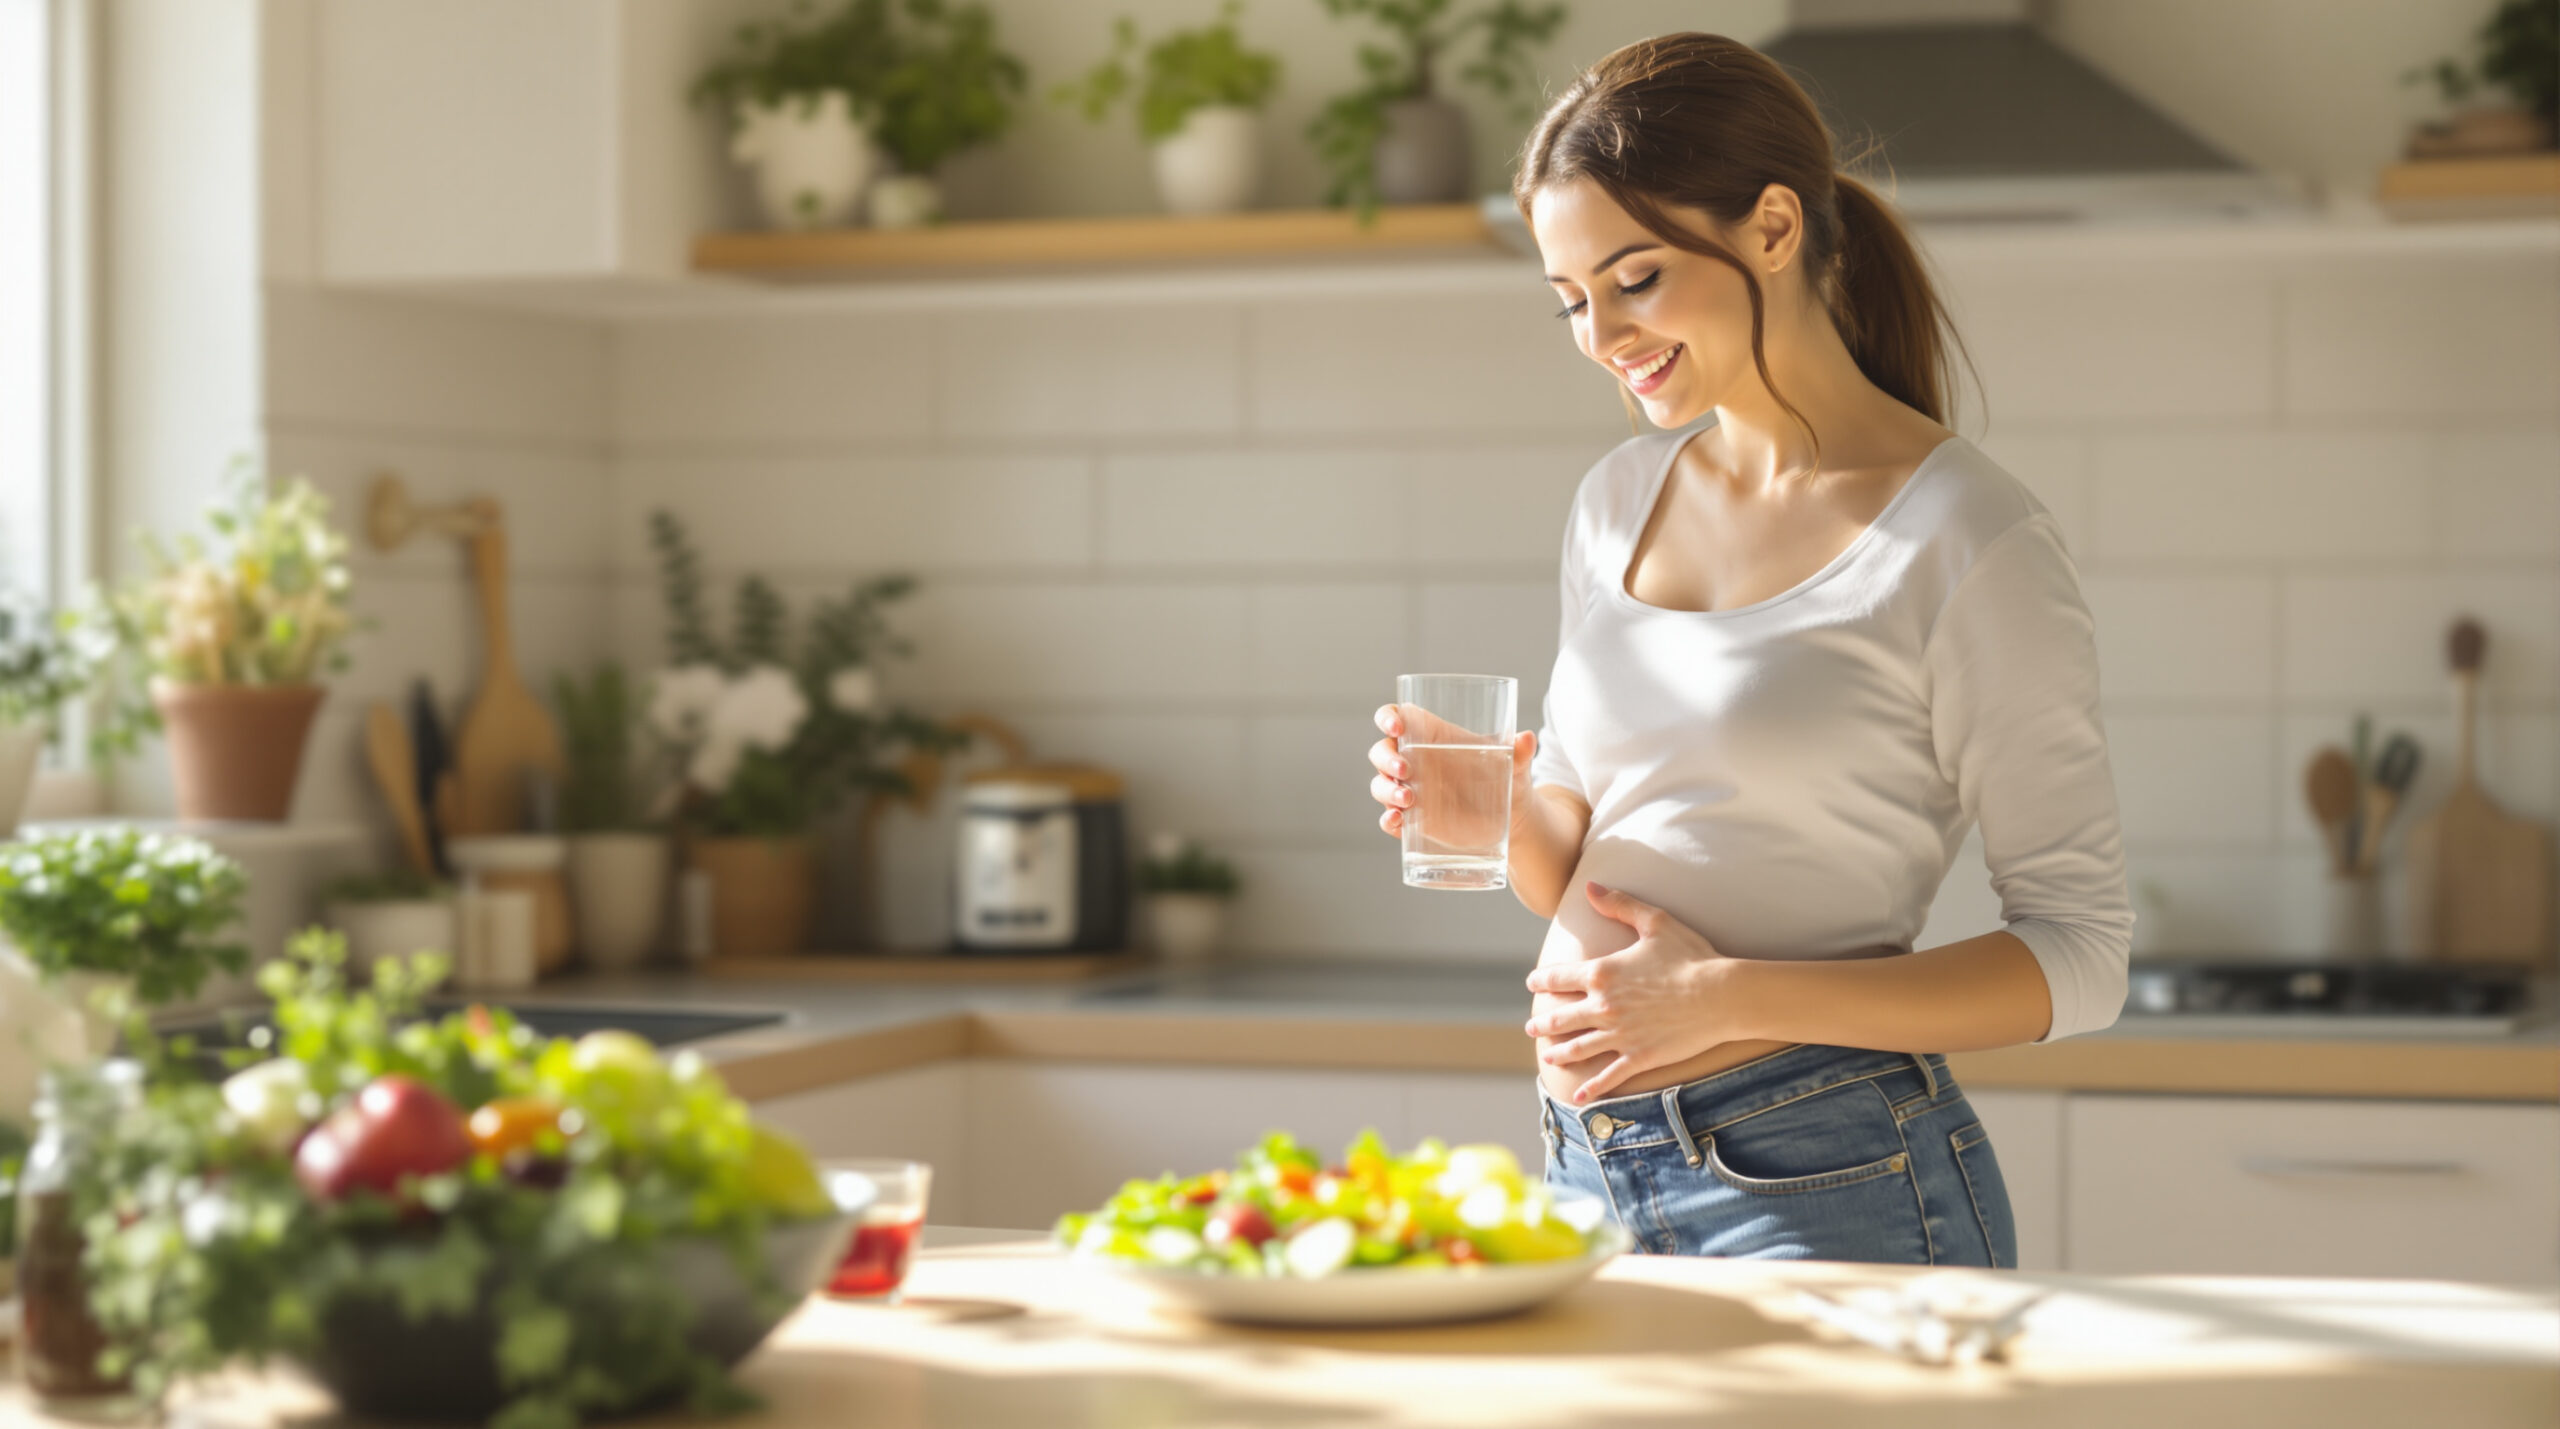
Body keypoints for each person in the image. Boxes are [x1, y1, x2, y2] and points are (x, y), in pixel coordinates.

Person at [1365, 33, 2131, 1268]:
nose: (1600, 334)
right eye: (1571, 299)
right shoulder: (1617, 499)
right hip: (1585, 1171)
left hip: (1827, 1175)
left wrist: (1723, 997)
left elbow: (2079, 957)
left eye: (1635, 278)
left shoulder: (1964, 536)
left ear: (1773, 228)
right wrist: (1497, 813)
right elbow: (1587, 868)